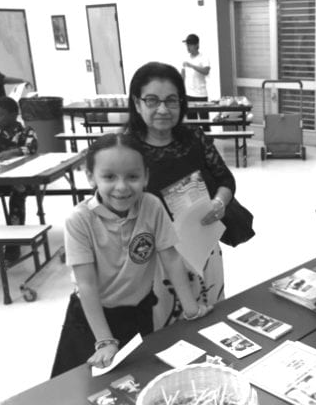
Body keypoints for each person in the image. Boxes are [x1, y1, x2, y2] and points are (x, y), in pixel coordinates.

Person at [50, 133, 211, 377]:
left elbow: (171, 258)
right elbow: (86, 284)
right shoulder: (79, 219)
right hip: (92, 318)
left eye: (133, 177)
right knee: (81, 387)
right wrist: (104, 340)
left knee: (138, 379)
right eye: (109, 177)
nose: (122, 187)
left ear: (146, 176)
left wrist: (190, 307)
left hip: (138, 312)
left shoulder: (152, 206)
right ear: (91, 176)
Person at [125, 61, 235, 307]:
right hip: (155, 254)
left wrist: (219, 202)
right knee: (166, 320)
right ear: (137, 103)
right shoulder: (125, 148)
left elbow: (225, 179)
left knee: (212, 310)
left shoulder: (194, 138)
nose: (163, 109)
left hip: (202, 243)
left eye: (171, 100)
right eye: (152, 100)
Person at [0, 96, 38, 259]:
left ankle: (14, 243)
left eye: (0, 114)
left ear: (13, 115)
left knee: (16, 198)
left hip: (23, 179)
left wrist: (13, 152)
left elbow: (31, 148)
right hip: (1, 178)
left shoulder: (26, 131)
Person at [181, 34, 211, 121]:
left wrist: (192, 66)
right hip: (189, 94)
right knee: (191, 122)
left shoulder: (204, 57)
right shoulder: (185, 58)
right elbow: (182, 75)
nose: (188, 47)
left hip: (201, 94)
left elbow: (206, 71)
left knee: (204, 121)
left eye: (190, 45)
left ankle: (206, 134)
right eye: (187, 45)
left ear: (197, 45)